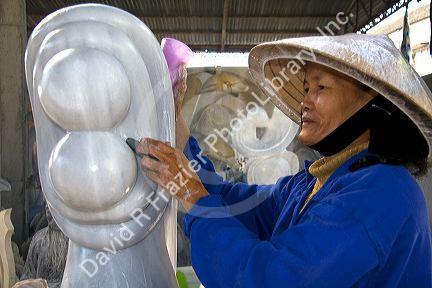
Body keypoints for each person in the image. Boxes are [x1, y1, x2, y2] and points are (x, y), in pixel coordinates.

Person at [137, 34, 432, 287]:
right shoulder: (313, 184)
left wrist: (191, 194)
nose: (305, 101)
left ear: (370, 102)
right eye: (305, 88)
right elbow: (231, 202)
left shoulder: (382, 193)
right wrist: (176, 121)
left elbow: (270, 280)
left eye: (321, 88)